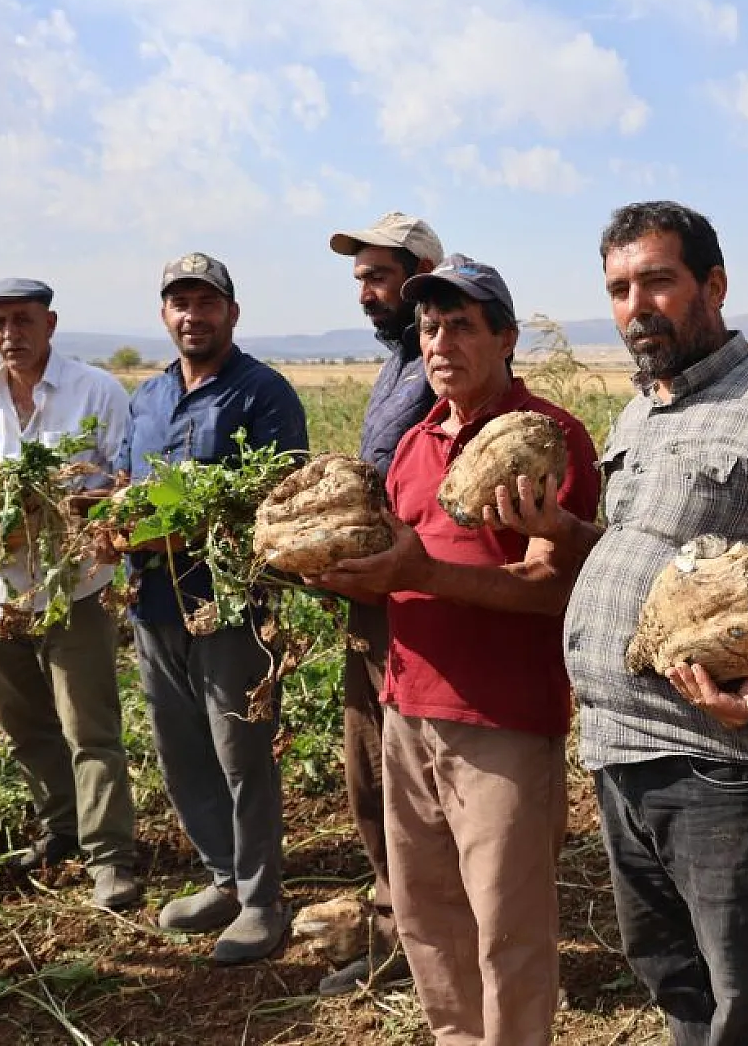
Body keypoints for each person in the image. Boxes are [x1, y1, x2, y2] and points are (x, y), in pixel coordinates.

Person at [521, 202, 748, 1045]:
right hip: (620, 755)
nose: (635, 305)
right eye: (618, 288)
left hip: (725, 767)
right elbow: (630, 551)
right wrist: (558, 531)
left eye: (657, 280)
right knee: (675, 980)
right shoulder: (639, 412)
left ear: (713, 284)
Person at [315, 254, 601, 1044]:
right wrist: (326, 568)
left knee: (508, 928)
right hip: (407, 711)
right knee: (428, 914)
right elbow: (396, 579)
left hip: (500, 720)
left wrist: (423, 571)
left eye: (462, 325)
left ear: (506, 337)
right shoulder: (412, 446)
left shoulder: (546, 437)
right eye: (430, 326)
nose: (440, 342)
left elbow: (552, 586)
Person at [118, 252, 309, 965]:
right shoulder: (147, 398)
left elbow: (281, 502)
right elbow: (127, 484)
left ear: (231, 312)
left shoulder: (263, 393)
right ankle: (223, 879)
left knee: (241, 755)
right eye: (179, 303)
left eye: (206, 303)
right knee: (181, 750)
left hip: (228, 601)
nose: (192, 315)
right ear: (164, 314)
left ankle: (263, 901)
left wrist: (190, 524)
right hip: (154, 603)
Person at [0, 277, 141, 911]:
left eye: (23, 320)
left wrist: (61, 505)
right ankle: (62, 832)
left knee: (90, 729)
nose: (11, 333)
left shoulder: (97, 392)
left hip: (75, 587)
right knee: (24, 725)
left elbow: (123, 481)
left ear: (50, 324)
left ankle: (111, 856)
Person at [318, 211, 444, 996]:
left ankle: (425, 939)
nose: (365, 292)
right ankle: (398, 921)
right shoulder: (396, 362)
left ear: (419, 272)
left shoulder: (439, 356)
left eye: (378, 276)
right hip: (371, 597)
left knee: (414, 775)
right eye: (359, 278)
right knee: (368, 767)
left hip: (419, 597)